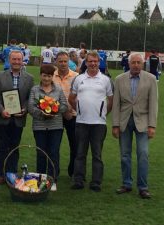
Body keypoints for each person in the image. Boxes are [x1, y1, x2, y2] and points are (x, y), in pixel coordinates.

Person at [112, 53, 158, 199]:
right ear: (129, 63)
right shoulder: (119, 79)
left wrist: (152, 125)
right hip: (124, 121)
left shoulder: (151, 79)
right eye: (134, 62)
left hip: (143, 121)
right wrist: (115, 124)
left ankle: (143, 187)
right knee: (125, 155)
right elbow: (116, 104)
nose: (136, 65)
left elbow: (153, 104)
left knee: (143, 154)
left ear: (143, 64)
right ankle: (126, 184)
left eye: (139, 62)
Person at [69, 51, 113, 192]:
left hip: (99, 124)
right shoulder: (79, 79)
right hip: (81, 122)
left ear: (99, 63)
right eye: (90, 61)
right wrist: (81, 110)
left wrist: (102, 113)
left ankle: (96, 182)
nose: (93, 64)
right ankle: (79, 180)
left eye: (95, 61)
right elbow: (71, 98)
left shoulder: (105, 80)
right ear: (85, 62)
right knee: (80, 153)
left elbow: (111, 100)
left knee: (97, 154)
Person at [0, 50, 34, 185]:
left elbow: (29, 98)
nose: (16, 62)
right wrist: (1, 110)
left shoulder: (29, 78)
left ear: (22, 61)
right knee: (2, 147)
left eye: (18, 59)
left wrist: (25, 109)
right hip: (3, 118)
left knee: (14, 147)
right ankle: (1, 175)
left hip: (18, 119)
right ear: (9, 60)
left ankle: (12, 174)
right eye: (13, 59)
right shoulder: (0, 76)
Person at [28, 64, 68, 191]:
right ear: (40, 75)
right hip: (39, 127)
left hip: (56, 126)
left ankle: (52, 180)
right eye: (44, 76)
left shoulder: (58, 89)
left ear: (52, 77)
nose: (46, 79)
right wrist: (42, 113)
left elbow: (64, 106)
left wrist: (53, 111)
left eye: (49, 76)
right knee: (41, 153)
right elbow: (31, 107)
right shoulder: (34, 89)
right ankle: (40, 179)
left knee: (53, 153)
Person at [53, 51, 78, 177]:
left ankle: (73, 172)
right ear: (56, 62)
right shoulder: (50, 76)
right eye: (60, 61)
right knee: (54, 146)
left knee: (75, 145)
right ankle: (54, 172)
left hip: (73, 116)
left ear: (69, 62)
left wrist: (70, 110)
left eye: (65, 61)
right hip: (55, 116)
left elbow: (79, 97)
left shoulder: (76, 77)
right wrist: (63, 111)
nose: (63, 64)